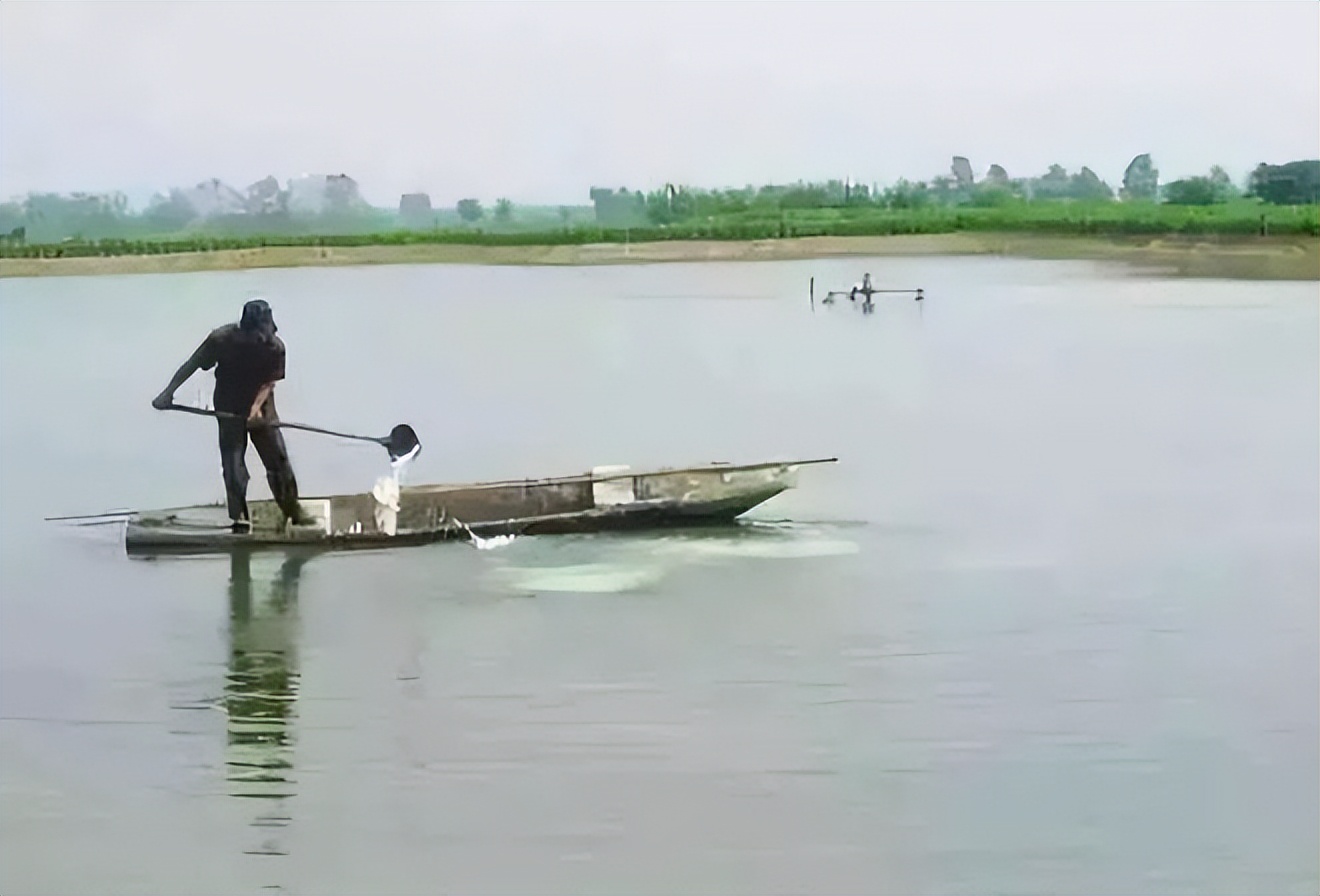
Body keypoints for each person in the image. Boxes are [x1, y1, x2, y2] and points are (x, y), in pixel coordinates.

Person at [152, 298, 309, 532]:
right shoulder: (221, 339)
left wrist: (254, 410)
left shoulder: (274, 347)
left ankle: (292, 512)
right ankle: (240, 518)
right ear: (245, 328)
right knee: (233, 464)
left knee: (278, 461)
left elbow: (268, 383)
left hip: (262, 410)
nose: (261, 336)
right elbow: (193, 364)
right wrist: (167, 393)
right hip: (228, 407)